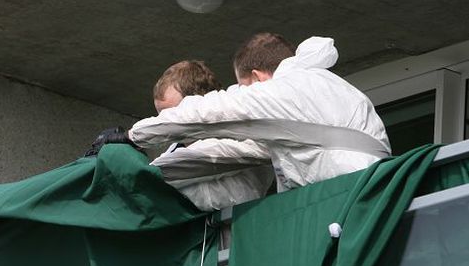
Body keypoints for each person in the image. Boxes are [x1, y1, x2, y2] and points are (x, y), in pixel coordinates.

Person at [128, 34, 391, 192]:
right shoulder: (332, 88)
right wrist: (152, 173)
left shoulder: (285, 91)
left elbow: (210, 112)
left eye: (243, 88)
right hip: (376, 191)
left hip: (350, 196)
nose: (244, 94)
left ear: (255, 77)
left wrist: (133, 137)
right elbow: (234, 152)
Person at [148, 60, 274, 211]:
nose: (166, 123)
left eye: (174, 113)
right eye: (161, 116)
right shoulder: (175, 148)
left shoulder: (239, 139)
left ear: (199, 103)